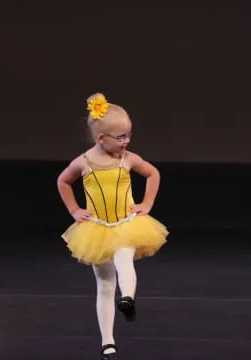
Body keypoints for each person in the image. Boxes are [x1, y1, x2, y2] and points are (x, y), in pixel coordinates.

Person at [57, 93, 168, 360]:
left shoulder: (127, 158)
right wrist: (74, 209)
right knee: (105, 283)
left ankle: (127, 298)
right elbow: (62, 181)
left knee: (124, 259)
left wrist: (147, 204)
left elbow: (153, 173)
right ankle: (108, 342)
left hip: (126, 224)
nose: (126, 141)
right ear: (101, 138)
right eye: (120, 137)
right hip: (97, 228)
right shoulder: (83, 163)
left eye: (128, 135)